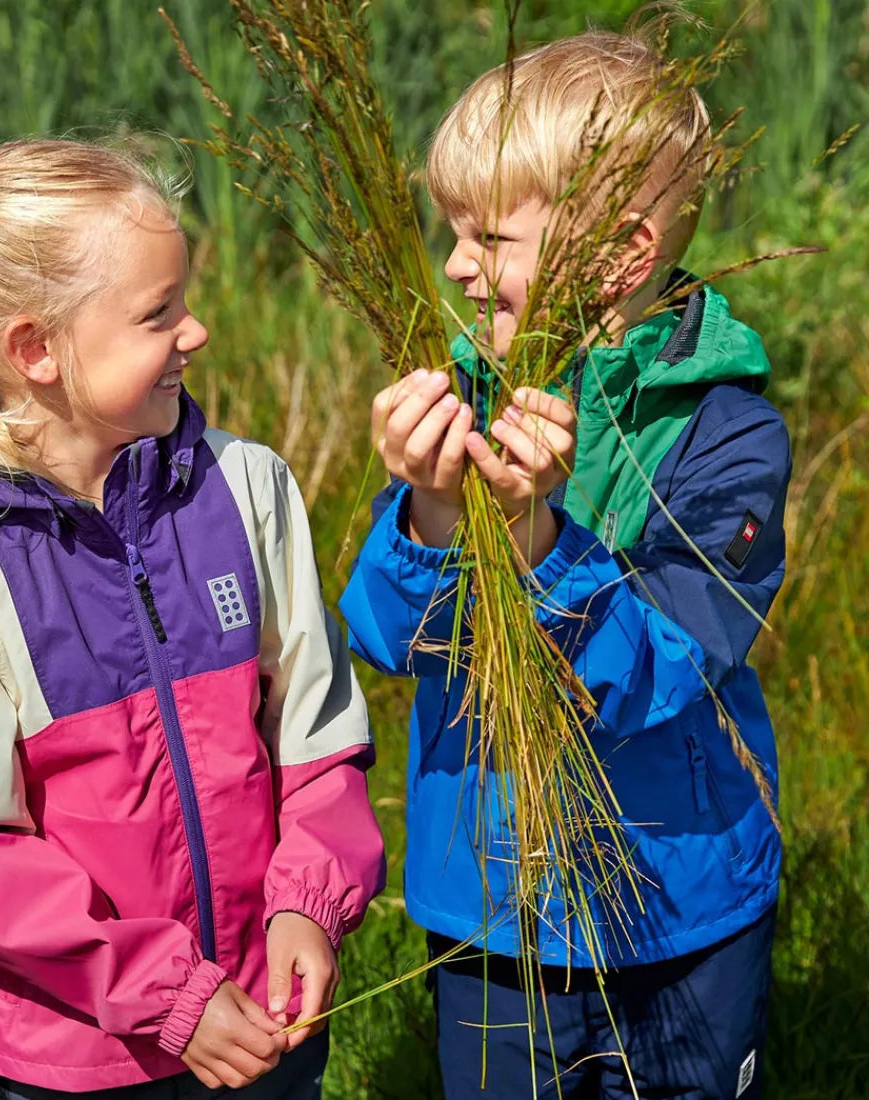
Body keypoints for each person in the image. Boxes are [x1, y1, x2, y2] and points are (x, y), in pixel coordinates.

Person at [0, 138, 385, 1099]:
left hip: (269, 1017)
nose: (195, 333)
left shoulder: (248, 489)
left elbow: (313, 733)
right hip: (79, 1062)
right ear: (37, 351)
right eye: (159, 314)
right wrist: (166, 998)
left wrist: (309, 907)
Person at [340, 29, 789, 1100]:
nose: (453, 265)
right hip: (495, 907)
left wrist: (541, 541)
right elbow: (383, 634)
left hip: (682, 899)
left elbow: (665, 664)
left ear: (622, 255)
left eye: (487, 236)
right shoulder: (463, 394)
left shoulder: (726, 433)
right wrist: (433, 507)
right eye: (451, 232)